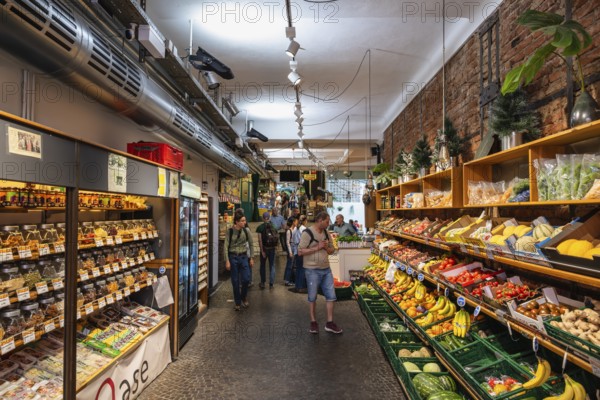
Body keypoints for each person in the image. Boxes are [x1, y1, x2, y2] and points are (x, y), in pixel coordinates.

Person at [298, 211, 342, 334]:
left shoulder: (327, 233)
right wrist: (317, 247)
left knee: (331, 296)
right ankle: (313, 322)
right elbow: (300, 252)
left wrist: (327, 247)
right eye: (327, 221)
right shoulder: (307, 233)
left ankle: (330, 323)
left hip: (326, 269)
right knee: (312, 297)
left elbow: (332, 250)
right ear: (320, 220)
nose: (329, 224)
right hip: (311, 270)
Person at [224, 213, 254, 311]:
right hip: (233, 257)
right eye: (242, 221)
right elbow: (225, 247)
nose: (244, 222)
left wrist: (252, 258)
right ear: (237, 222)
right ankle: (237, 302)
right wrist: (227, 261)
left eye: (245, 220)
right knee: (235, 281)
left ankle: (244, 296)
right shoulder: (230, 232)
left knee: (246, 279)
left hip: (244, 257)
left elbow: (251, 244)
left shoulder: (246, 230)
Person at [256, 212, 278, 289]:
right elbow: (276, 238)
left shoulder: (260, 228)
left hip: (264, 249)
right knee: (272, 266)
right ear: (269, 218)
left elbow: (260, 240)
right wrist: (276, 248)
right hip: (272, 249)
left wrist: (262, 251)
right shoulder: (274, 226)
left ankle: (262, 283)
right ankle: (271, 284)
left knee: (262, 265)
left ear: (263, 218)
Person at [290, 215, 308, 293]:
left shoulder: (295, 229)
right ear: (305, 221)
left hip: (296, 251)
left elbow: (293, 240)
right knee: (302, 269)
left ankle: (297, 286)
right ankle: (301, 287)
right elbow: (306, 241)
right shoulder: (304, 229)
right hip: (302, 251)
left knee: (298, 269)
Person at [283, 216, 297, 286]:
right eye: (295, 221)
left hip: (295, 247)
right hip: (291, 247)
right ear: (293, 222)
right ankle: (287, 280)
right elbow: (287, 242)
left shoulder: (295, 229)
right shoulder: (289, 231)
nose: (297, 222)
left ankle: (290, 279)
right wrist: (290, 252)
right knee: (289, 265)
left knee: (292, 265)